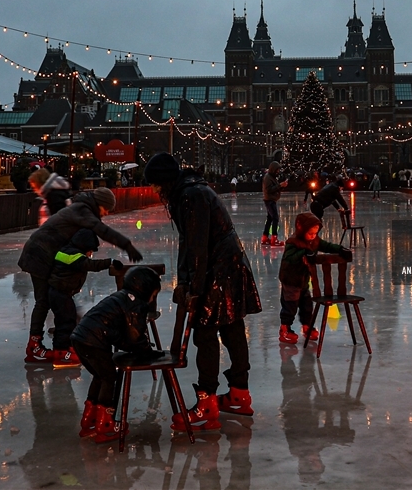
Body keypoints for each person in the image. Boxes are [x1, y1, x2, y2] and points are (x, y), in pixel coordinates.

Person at [143, 152, 262, 432]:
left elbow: (195, 245)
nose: (155, 190)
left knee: (206, 333)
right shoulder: (194, 189)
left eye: (157, 185)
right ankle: (238, 395)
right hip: (227, 265)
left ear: (166, 180)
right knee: (232, 329)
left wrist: (191, 288)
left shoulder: (191, 196)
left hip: (217, 270)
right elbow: (192, 243)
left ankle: (207, 403)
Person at [17, 187, 143, 364]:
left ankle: (58, 342)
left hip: (45, 253)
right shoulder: (82, 210)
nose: (106, 213)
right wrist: (127, 246)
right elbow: (103, 231)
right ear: (99, 204)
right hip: (39, 254)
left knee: (56, 300)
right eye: (106, 209)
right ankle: (35, 346)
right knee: (44, 300)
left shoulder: (81, 209)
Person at [71, 265, 162, 444]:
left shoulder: (120, 297)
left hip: (80, 338)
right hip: (94, 341)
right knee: (108, 377)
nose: (153, 298)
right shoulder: (136, 304)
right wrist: (148, 352)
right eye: (154, 294)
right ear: (146, 289)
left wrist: (129, 345)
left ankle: (90, 419)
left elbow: (121, 335)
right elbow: (135, 336)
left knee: (99, 376)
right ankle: (105, 423)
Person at [48, 229, 124, 368]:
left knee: (68, 320)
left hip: (60, 293)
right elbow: (90, 265)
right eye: (90, 251)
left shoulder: (66, 251)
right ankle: (61, 354)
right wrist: (110, 262)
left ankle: (66, 350)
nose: (90, 254)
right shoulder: (73, 256)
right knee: (65, 324)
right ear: (83, 246)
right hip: (61, 294)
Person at [278, 212, 352, 344]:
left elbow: (327, 246)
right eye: (310, 233)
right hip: (290, 280)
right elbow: (289, 259)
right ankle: (285, 328)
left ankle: (307, 326)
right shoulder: (293, 242)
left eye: (315, 233)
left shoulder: (315, 240)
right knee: (290, 305)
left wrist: (340, 249)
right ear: (302, 230)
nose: (313, 236)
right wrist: (304, 252)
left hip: (303, 279)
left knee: (307, 305)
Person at [261, 161, 289, 246]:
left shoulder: (272, 177)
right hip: (269, 201)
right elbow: (269, 190)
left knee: (270, 218)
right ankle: (274, 238)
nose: (278, 172)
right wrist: (280, 185)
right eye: (277, 170)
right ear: (273, 169)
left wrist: (282, 186)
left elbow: (275, 189)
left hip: (271, 200)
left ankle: (265, 237)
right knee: (275, 218)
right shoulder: (267, 178)